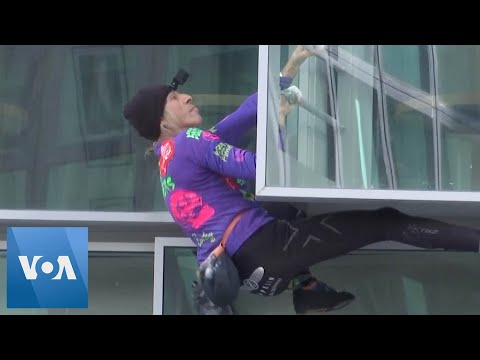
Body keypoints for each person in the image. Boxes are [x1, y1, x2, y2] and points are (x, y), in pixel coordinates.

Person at [123, 45, 480, 315]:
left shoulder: (170, 164)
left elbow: (249, 112)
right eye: (173, 98)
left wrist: (291, 68)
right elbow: (260, 170)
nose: (186, 96)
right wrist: (279, 128)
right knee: (385, 222)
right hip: (266, 246)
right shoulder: (190, 143)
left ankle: (307, 290)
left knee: (281, 204)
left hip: (251, 274)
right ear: (162, 121)